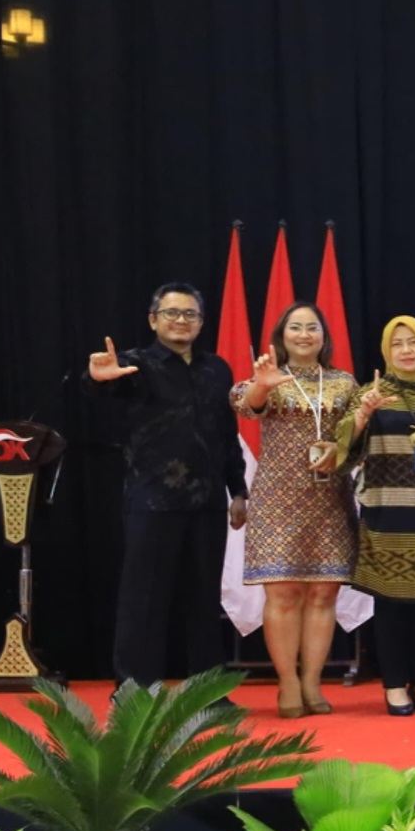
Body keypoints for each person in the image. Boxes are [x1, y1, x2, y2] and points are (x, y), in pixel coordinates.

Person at [84, 282, 247, 685]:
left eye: (190, 314)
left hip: (208, 503)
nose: (181, 320)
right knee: (144, 602)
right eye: (171, 313)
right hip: (151, 503)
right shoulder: (133, 364)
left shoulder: (217, 369)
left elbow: (227, 434)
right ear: (153, 320)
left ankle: (208, 694)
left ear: (201, 323)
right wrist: (98, 379)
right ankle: (134, 696)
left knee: (204, 602)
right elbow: (105, 387)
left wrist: (238, 490)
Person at [232, 302, 359, 718]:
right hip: (277, 499)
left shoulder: (344, 382)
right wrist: (262, 386)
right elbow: (244, 405)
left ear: (324, 336)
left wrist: (342, 447)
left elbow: (359, 436)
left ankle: (312, 682)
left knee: (323, 592)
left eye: (312, 327)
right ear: (281, 336)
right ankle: (287, 682)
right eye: (296, 328)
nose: (304, 335)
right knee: (283, 592)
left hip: (330, 499)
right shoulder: (269, 378)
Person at [339, 317, 415, 714]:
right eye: (397, 344)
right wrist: (362, 416)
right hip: (387, 508)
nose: (406, 350)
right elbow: (342, 449)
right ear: (386, 351)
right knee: (391, 602)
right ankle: (393, 684)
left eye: (413, 342)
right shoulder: (371, 392)